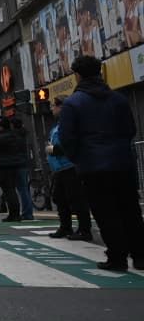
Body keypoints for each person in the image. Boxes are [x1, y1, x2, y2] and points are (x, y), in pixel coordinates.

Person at [59, 55, 144, 270]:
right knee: (130, 210)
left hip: (92, 166)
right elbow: (130, 130)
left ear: (77, 75)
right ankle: (141, 256)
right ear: (100, 72)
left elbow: (67, 138)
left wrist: (78, 158)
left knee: (105, 212)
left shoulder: (72, 104)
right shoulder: (118, 99)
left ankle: (117, 257)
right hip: (122, 163)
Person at [45, 98, 91, 241]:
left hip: (70, 166)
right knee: (59, 198)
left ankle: (84, 230)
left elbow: (68, 145)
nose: (52, 109)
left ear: (61, 107)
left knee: (76, 199)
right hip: (59, 168)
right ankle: (65, 227)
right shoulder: (57, 126)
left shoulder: (69, 124)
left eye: (53, 106)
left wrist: (52, 149)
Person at [0, 118, 29, 222]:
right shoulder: (14, 136)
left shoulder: (2, 136)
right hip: (14, 165)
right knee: (12, 190)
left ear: (1, 127)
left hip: (3, 166)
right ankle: (15, 214)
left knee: (9, 191)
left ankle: (14, 214)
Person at [10, 118, 34, 221]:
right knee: (25, 189)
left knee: (22, 189)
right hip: (24, 163)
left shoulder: (15, 136)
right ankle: (28, 212)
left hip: (18, 164)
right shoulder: (23, 134)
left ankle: (27, 213)